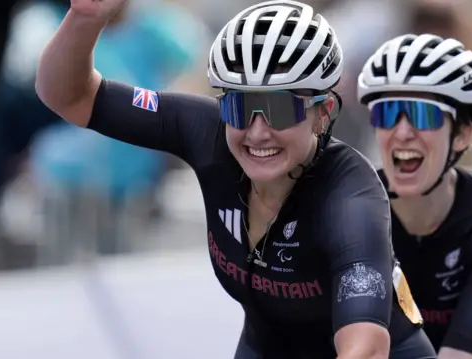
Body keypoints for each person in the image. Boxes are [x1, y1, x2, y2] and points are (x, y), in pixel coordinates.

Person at [35, 0, 437, 358]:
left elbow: (364, 347)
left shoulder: (352, 196)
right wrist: (84, 19)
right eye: (240, 106)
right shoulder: (205, 131)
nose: (257, 132)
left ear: (323, 110)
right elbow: (67, 96)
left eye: (280, 109)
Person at [356, 33, 472, 358]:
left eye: (422, 114)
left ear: (462, 135)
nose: (402, 132)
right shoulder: (350, 207)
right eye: (386, 113)